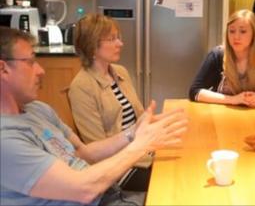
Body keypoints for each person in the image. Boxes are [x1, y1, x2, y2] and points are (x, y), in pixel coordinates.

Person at [0, 26, 187, 205]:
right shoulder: (6, 140)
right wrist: (140, 145)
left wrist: (134, 132)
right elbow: (84, 189)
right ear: (3, 69)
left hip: (111, 194)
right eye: (31, 62)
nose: (41, 70)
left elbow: (84, 153)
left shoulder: (37, 109)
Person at [189, 9, 255, 107]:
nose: (236, 37)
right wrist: (233, 100)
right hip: (223, 115)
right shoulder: (216, 55)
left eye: (243, 31)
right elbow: (195, 91)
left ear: (254, 34)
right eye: (232, 31)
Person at [69, 13, 144, 144]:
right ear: (91, 46)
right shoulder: (81, 87)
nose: (120, 43)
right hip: (123, 158)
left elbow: (139, 117)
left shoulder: (121, 72)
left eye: (118, 38)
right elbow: (96, 146)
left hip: (141, 146)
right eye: (112, 39)